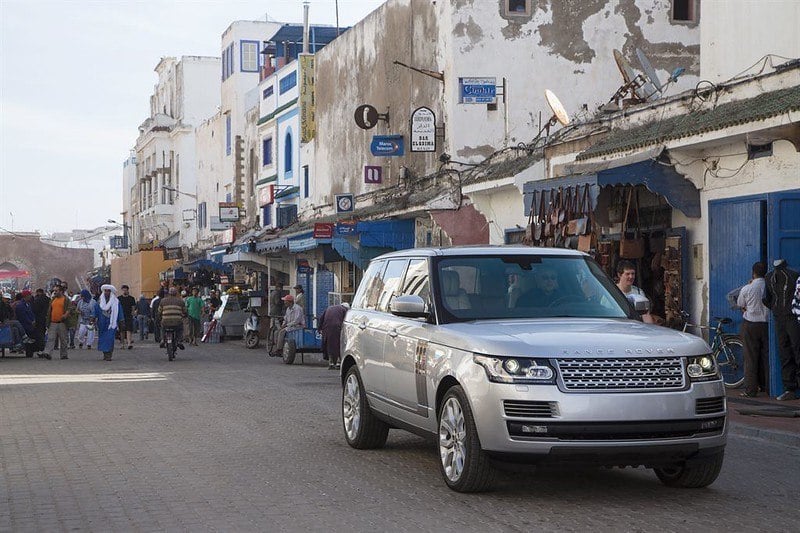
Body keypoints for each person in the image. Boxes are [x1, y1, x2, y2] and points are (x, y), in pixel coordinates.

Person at [763, 259, 800, 401]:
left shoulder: (773, 276)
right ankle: (790, 388)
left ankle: (790, 387)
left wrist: (776, 309)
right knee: (791, 350)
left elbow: (766, 299)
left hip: (785, 318)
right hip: (789, 317)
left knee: (789, 351)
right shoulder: (790, 275)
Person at [737, 262, 770, 397]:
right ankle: (768, 387)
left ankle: (751, 390)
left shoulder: (747, 288)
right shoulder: (769, 286)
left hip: (750, 324)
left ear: (753, 273)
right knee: (766, 357)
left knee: (750, 358)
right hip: (767, 325)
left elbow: (740, 304)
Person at [615, 260, 659, 324]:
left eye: (633, 274)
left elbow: (645, 315)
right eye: (627, 274)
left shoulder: (639, 292)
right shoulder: (612, 291)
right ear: (619, 275)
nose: (631, 277)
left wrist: (651, 329)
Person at [43, 284, 75, 360]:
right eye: (54, 290)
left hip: (62, 322)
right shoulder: (53, 299)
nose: (55, 292)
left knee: (63, 339)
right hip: (53, 322)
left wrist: (65, 315)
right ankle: (48, 353)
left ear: (61, 291)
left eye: (56, 291)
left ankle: (64, 354)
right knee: (50, 338)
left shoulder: (66, 299)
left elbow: (69, 309)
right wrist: (48, 321)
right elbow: (50, 310)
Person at [94, 284, 124, 361]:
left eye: (108, 291)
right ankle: (105, 354)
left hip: (111, 324)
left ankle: (109, 355)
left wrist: (121, 321)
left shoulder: (116, 302)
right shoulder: (100, 302)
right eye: (105, 291)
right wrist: (92, 318)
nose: (107, 292)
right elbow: (96, 310)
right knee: (103, 339)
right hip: (102, 324)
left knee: (110, 339)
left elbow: (119, 312)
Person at [319, 303, 348, 369]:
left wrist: (319, 328)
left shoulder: (329, 308)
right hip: (337, 327)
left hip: (326, 328)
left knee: (329, 345)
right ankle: (338, 362)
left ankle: (331, 363)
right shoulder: (344, 310)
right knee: (338, 344)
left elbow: (321, 318)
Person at [158, 287, 186, 351]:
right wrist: (184, 315)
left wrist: (160, 318)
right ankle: (179, 340)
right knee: (180, 329)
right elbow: (185, 311)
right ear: (176, 293)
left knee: (162, 328)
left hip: (166, 321)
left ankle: (162, 339)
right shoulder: (180, 301)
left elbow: (159, 311)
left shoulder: (163, 301)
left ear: (168, 293)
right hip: (177, 321)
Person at [118, 285, 137, 350]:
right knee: (122, 331)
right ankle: (122, 344)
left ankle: (129, 343)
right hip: (121, 316)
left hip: (129, 316)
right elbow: (117, 307)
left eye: (125, 290)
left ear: (128, 290)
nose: (124, 291)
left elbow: (133, 307)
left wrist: (133, 313)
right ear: (122, 290)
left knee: (129, 330)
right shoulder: (119, 298)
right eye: (123, 290)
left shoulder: (131, 298)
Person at [32, 288, 50, 354]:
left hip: (39, 319)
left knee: (40, 333)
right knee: (46, 332)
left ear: (38, 292)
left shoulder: (37, 300)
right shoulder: (48, 299)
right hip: (47, 318)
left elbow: (34, 310)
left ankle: (41, 348)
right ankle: (45, 348)